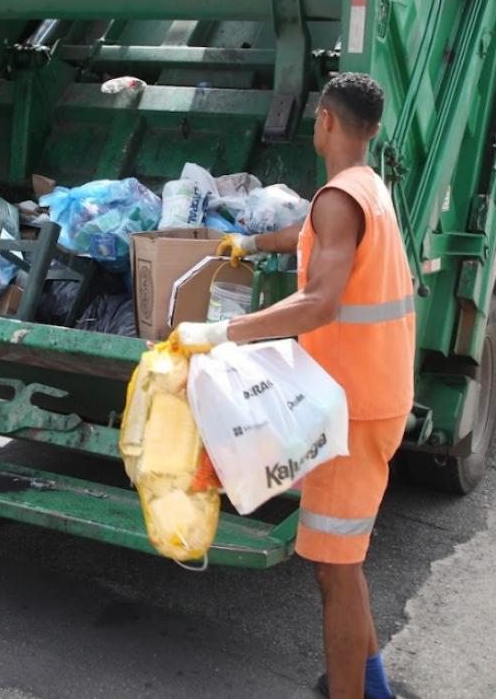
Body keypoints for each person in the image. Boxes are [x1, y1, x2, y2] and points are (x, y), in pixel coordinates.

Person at [174, 73, 415, 699]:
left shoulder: (338, 199)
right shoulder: (362, 189)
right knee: (342, 561)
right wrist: (252, 242)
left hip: (352, 408)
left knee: (335, 570)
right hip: (368, 395)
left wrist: (221, 335)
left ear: (327, 123)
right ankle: (370, 685)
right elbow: (315, 238)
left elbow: (317, 304)